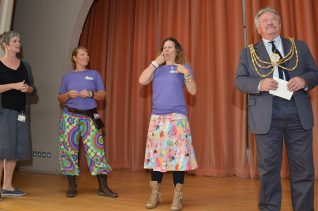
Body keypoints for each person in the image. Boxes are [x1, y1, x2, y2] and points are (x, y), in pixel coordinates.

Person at [235, 8, 318, 211]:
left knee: (303, 170)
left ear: (280, 25)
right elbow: (240, 80)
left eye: (274, 19)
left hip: (298, 113)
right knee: (268, 171)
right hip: (266, 116)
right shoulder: (248, 53)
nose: (270, 22)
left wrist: (304, 80)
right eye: (265, 20)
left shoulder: (298, 46)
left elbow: (314, 72)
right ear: (258, 28)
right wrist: (259, 84)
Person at [139, 37, 198, 210]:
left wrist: (186, 74)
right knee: (156, 157)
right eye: (164, 47)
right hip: (157, 118)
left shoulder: (183, 67)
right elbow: (142, 80)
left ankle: (178, 196)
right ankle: (154, 193)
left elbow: (193, 91)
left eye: (170, 47)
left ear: (177, 50)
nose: (166, 49)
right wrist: (156, 62)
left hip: (177, 117)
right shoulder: (156, 69)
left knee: (179, 157)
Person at [58, 46, 117, 198]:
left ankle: (103, 187)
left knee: (96, 151)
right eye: (82, 54)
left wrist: (91, 93)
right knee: (68, 151)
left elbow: (102, 95)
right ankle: (72, 186)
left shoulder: (94, 74)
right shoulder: (67, 77)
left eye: (87, 54)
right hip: (70, 117)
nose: (86, 56)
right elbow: (60, 98)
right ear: (75, 58)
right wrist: (68, 95)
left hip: (90, 117)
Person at [0, 31, 37, 199]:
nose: (18, 43)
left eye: (19, 41)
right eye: (15, 41)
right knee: (2, 150)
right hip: (3, 113)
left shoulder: (25, 66)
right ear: (6, 45)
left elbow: (33, 88)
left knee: (14, 149)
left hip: (20, 112)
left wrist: (26, 89)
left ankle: (7, 186)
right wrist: (13, 85)